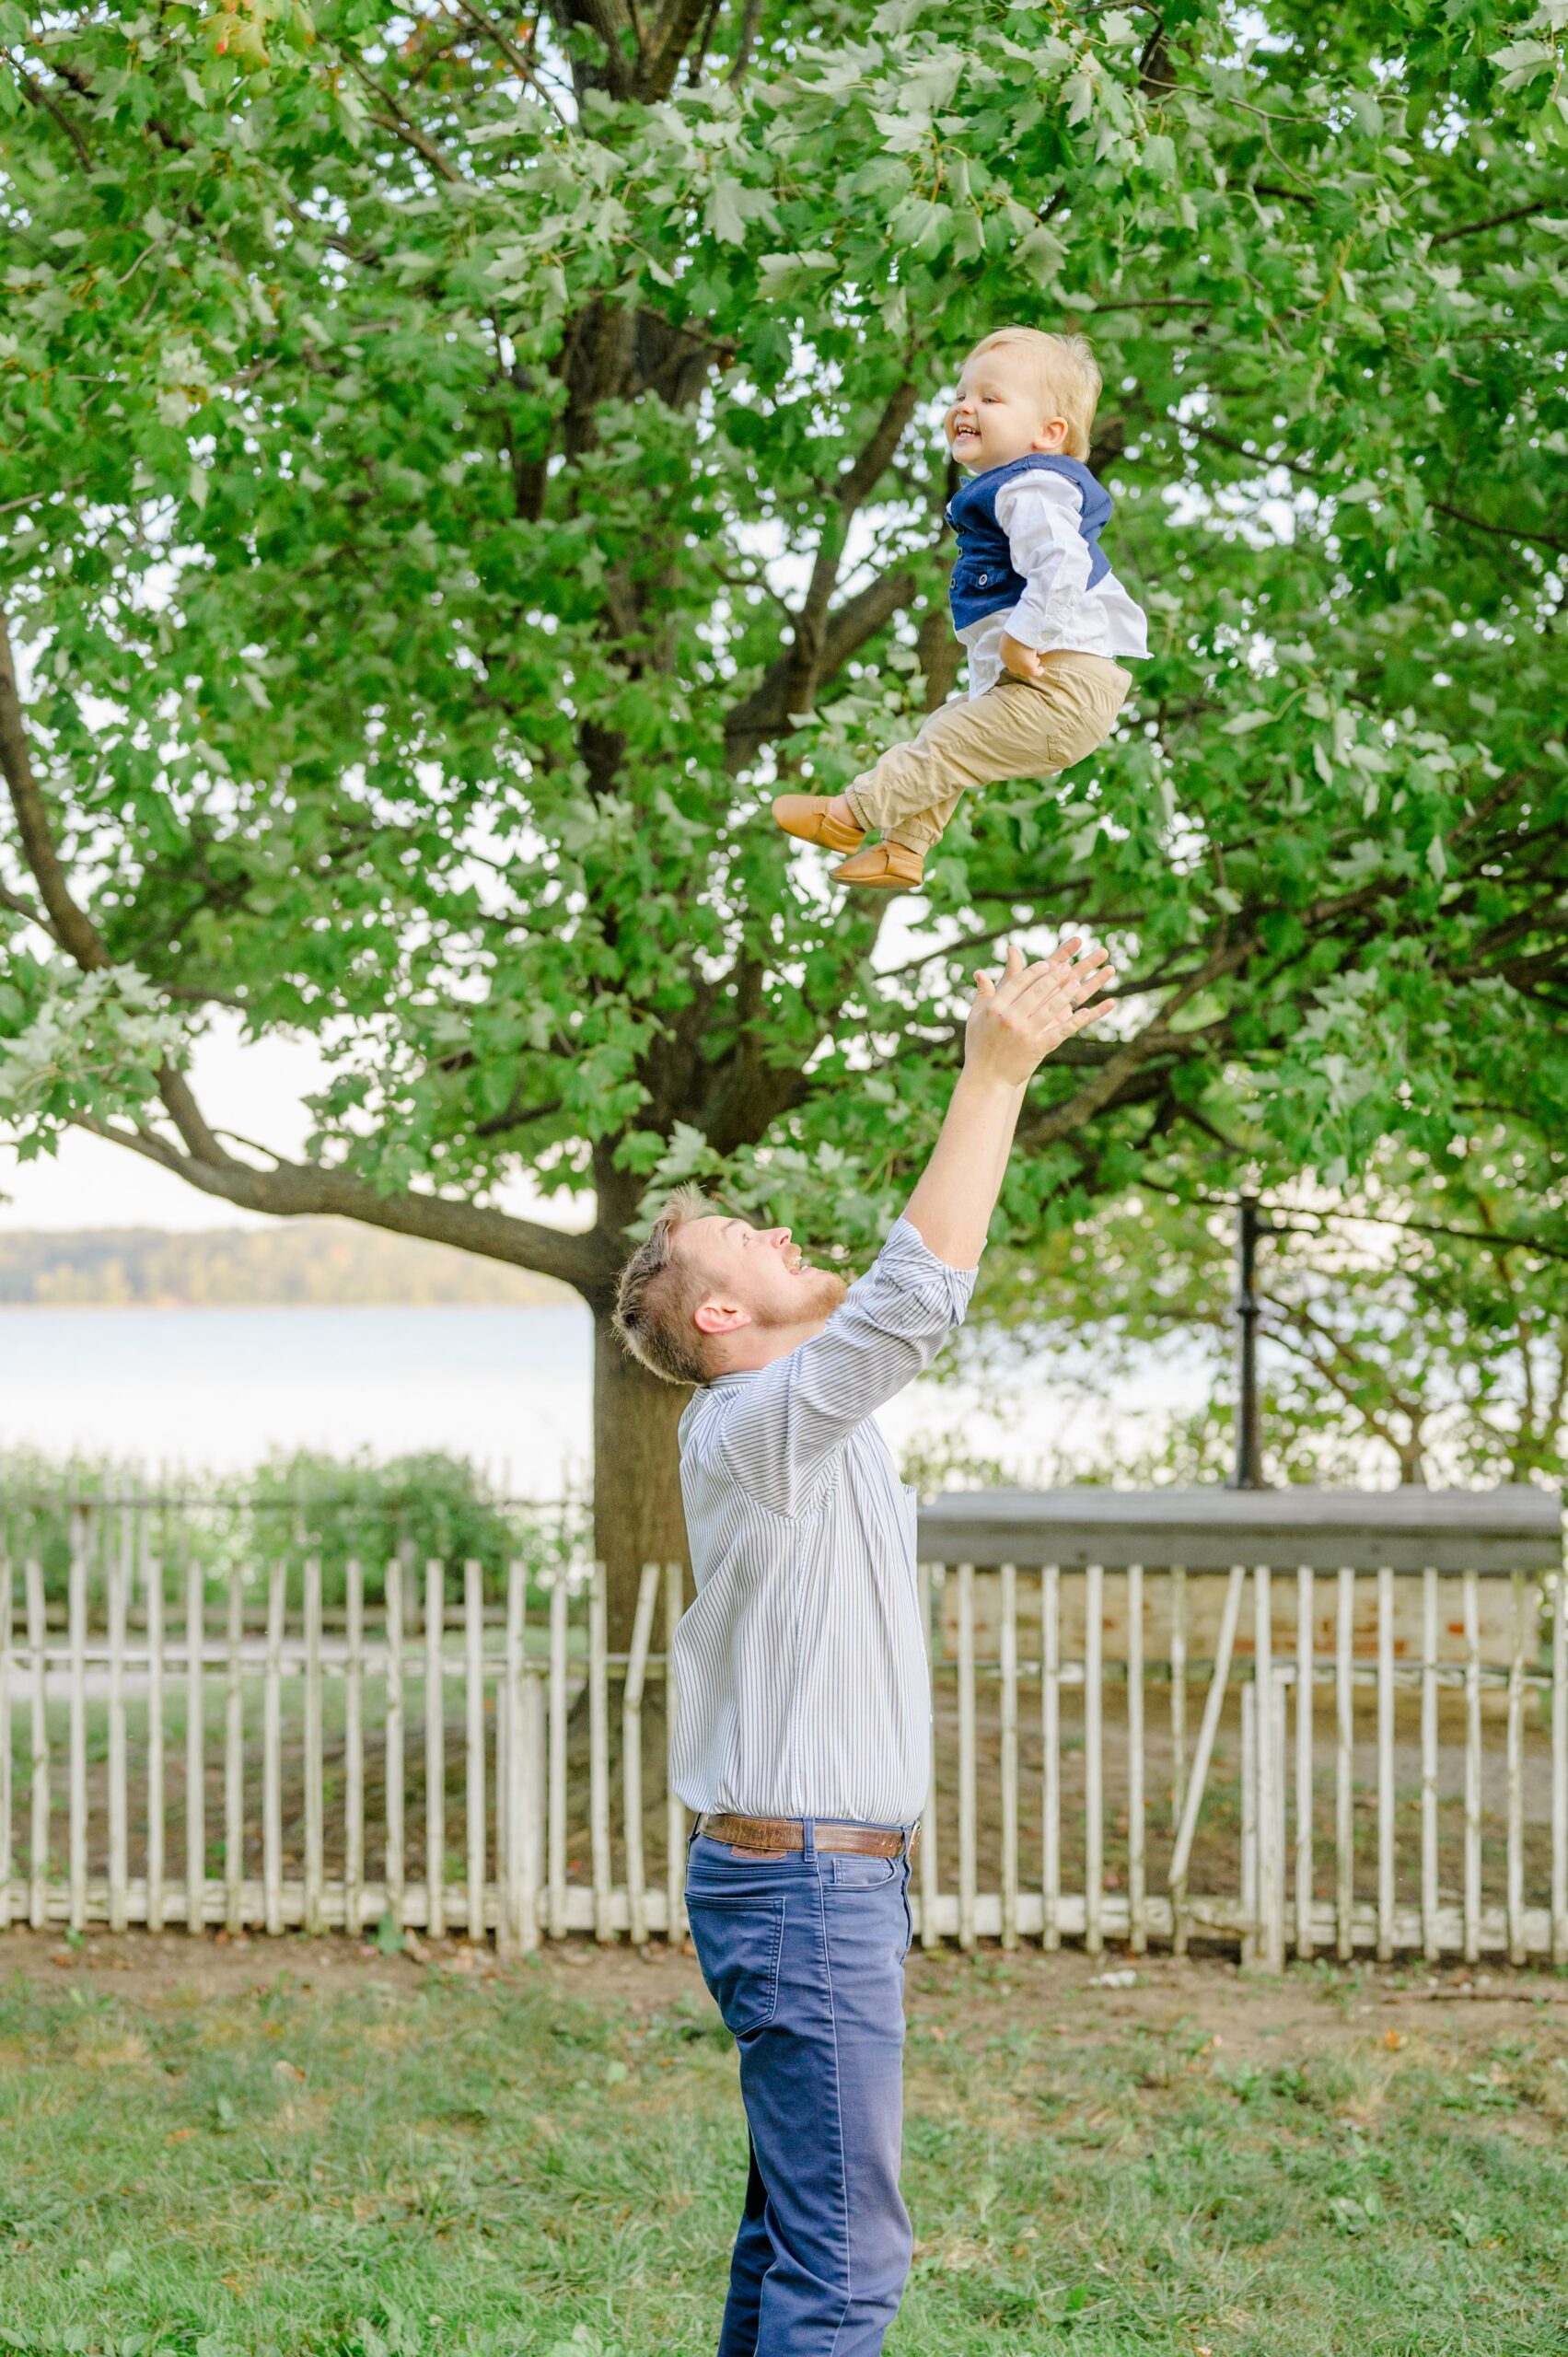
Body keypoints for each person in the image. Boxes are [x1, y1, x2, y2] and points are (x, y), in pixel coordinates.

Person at [611, 935, 1116, 2357]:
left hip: (814, 1883)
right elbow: (913, 1295)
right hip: (801, 1891)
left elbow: (892, 1309)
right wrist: (993, 1070)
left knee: (794, 2236)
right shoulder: (749, 1427)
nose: (783, 1237)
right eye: (749, 1247)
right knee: (842, 2267)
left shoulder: (800, 1427)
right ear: (720, 1318)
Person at [772, 326, 1148, 891]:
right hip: (1053, 693)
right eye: (960, 396)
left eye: (990, 398)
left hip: (1063, 690)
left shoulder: (1032, 487)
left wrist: (1023, 637)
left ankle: (848, 816)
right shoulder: (1015, 488)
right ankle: (903, 850)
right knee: (948, 730)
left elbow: (1062, 566)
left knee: (946, 744)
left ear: (1049, 432)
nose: (965, 407)